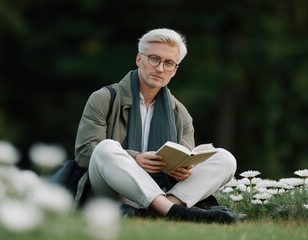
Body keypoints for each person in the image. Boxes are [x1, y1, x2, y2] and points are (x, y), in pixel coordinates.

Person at [74, 28, 238, 223]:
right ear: (138, 59)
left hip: (164, 188)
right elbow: (84, 153)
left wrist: (184, 169)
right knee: (105, 148)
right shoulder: (104, 98)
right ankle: (177, 212)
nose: (160, 68)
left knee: (225, 159)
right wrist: (135, 158)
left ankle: (160, 208)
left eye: (168, 63)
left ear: (175, 70)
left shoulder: (180, 113)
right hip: (114, 192)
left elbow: (186, 157)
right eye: (154, 58)